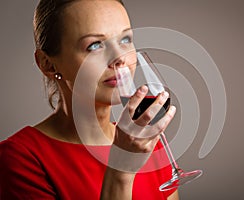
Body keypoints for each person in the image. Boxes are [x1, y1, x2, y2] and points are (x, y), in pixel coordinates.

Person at [0, 0, 179, 199]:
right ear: (48, 64)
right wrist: (121, 169)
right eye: (94, 45)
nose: (120, 57)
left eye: (125, 39)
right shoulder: (20, 158)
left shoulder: (143, 140)